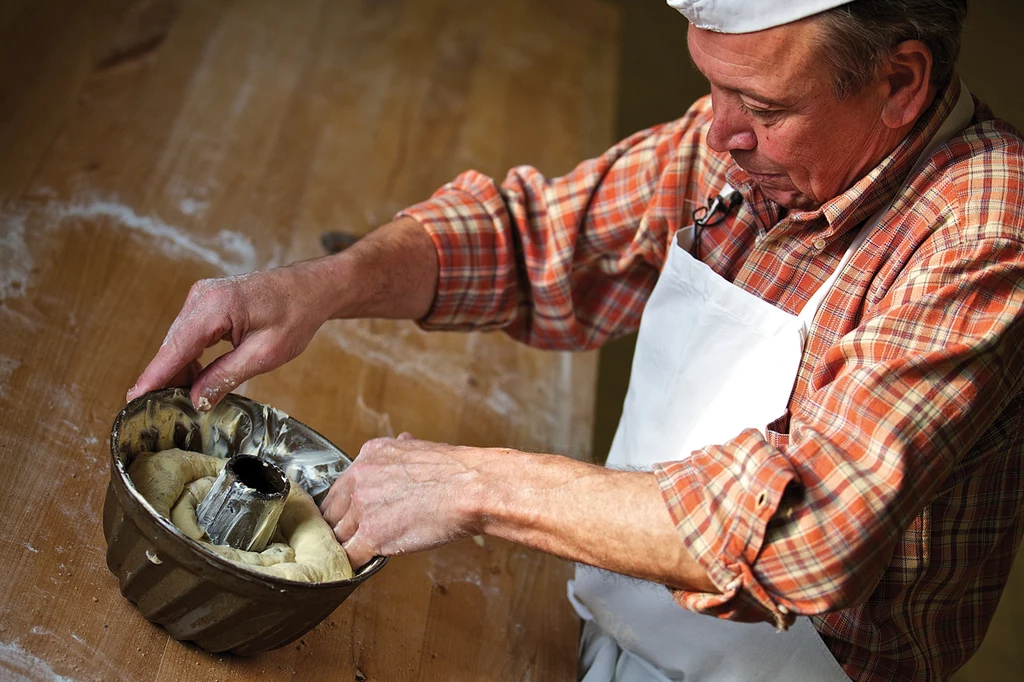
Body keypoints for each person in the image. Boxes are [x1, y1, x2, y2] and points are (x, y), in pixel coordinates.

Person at [127, 0, 1024, 679]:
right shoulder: (743, 146)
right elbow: (533, 241)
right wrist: (317, 288)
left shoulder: (985, 229)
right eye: (711, 87)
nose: (720, 131)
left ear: (900, 83)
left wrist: (477, 485)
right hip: (625, 624)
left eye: (760, 102)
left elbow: (807, 534)